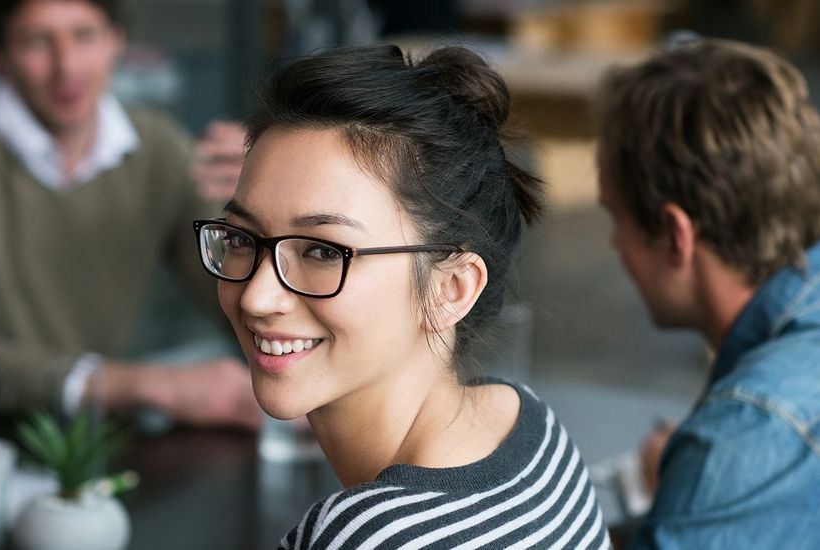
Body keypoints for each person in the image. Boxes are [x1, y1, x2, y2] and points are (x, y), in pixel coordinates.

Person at [196, 44, 611, 548]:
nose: (257, 298)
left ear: (451, 289)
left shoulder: (363, 536)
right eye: (241, 239)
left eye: (323, 252)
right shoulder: (529, 428)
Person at [0, 0, 258, 428]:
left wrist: (263, 211)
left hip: (91, 438)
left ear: (117, 41)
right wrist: (149, 385)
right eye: (37, 41)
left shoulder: (159, 147)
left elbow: (237, 302)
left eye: (84, 35)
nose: (67, 67)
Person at [596, 38, 820, 548]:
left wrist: (704, 479)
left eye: (616, 218)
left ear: (676, 234)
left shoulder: (746, 430)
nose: (613, 244)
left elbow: (753, 437)